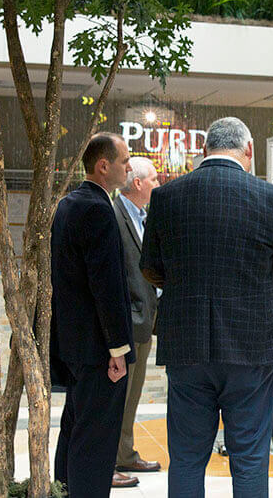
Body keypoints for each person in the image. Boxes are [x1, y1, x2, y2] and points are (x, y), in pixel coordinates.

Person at [140, 117, 273, 498]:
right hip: (252, 345)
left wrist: (183, 284)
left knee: (186, 458)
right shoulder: (270, 197)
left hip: (186, 343)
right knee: (249, 459)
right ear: (248, 150)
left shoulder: (166, 196)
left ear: (204, 150)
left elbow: (149, 267)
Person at [51, 132, 135, 497]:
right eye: (124, 162)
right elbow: (106, 285)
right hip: (98, 347)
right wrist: (118, 348)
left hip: (72, 343)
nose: (129, 168)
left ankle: (64, 490)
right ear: (103, 166)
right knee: (96, 439)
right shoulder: (99, 209)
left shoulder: (68, 203)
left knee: (75, 427)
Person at [111, 157, 162, 487]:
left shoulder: (143, 217)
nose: (158, 185)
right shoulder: (113, 215)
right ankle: (107, 463)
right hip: (125, 324)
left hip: (144, 323)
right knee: (116, 399)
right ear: (139, 183)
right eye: (154, 179)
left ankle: (125, 454)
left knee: (132, 397)